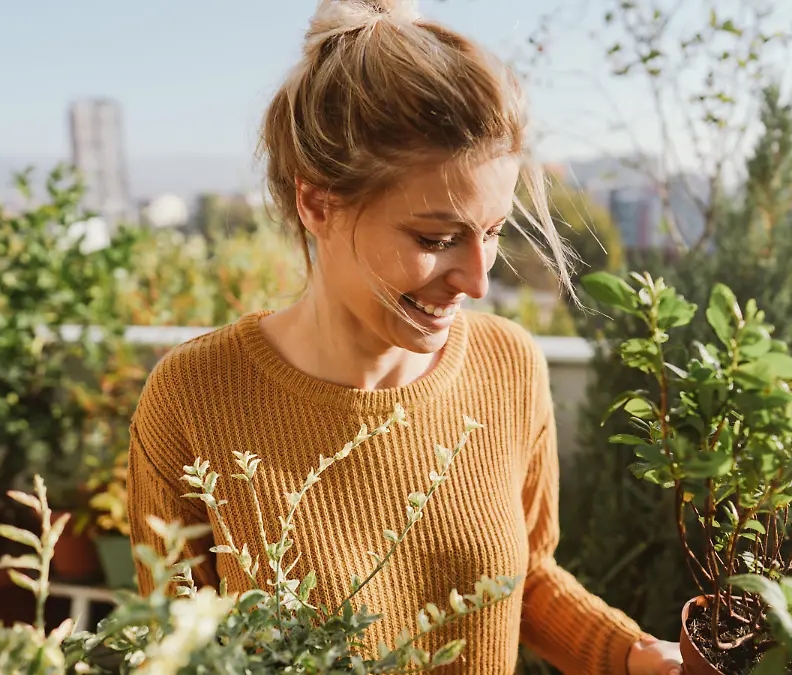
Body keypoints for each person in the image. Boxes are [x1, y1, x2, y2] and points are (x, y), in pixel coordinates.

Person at [127, 1, 683, 672]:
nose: (477, 280)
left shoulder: (510, 366)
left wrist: (635, 657)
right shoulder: (193, 398)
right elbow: (175, 650)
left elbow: (525, 578)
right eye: (435, 239)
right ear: (317, 202)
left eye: (492, 230)